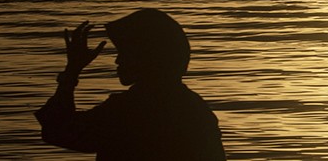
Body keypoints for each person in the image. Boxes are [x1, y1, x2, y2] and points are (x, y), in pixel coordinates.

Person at [35, 8, 226, 160]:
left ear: (147, 57)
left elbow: (57, 131)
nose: (117, 61)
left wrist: (71, 72)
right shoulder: (195, 108)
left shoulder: (126, 111)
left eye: (125, 53)